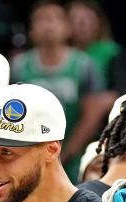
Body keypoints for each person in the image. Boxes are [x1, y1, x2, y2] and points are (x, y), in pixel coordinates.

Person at [11, 0, 111, 180]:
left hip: (73, 156)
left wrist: (65, 153)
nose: (48, 25)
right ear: (31, 31)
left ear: (68, 28)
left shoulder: (84, 65)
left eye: (54, 19)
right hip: (27, 153)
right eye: (40, 20)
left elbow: (91, 115)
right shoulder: (18, 66)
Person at [68, 0, 126, 94]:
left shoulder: (112, 52)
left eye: (88, 18)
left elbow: (121, 91)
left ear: (99, 22)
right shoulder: (55, 55)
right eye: (75, 18)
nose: (82, 24)